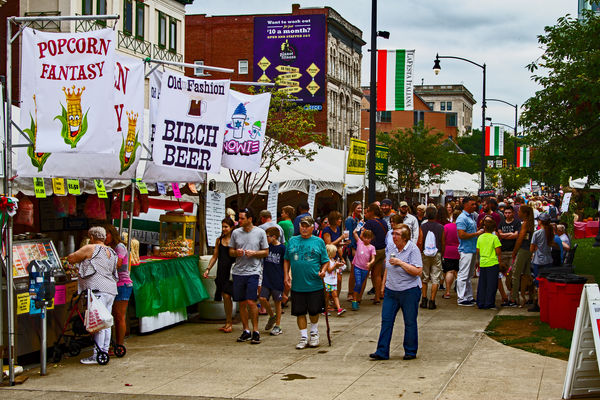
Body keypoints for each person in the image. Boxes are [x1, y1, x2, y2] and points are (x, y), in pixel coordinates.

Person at [370, 224, 423, 361]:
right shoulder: (392, 247)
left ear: (405, 238)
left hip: (409, 290)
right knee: (386, 320)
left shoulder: (413, 249)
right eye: (393, 234)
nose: (394, 236)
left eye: (397, 234)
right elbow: (388, 267)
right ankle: (382, 351)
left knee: (410, 321)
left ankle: (410, 351)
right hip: (391, 291)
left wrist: (401, 263)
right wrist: (383, 285)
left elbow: (418, 271)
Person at [67, 226, 118, 365]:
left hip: (97, 290)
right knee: (106, 322)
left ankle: (97, 355)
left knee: (99, 323)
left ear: (92, 237)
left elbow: (71, 258)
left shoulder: (91, 248)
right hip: (110, 289)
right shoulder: (111, 251)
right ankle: (104, 351)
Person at [284, 215, 330, 349]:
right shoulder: (292, 241)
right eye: (301, 226)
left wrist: (323, 270)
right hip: (298, 285)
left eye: (306, 226)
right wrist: (286, 275)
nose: (304, 229)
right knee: (300, 312)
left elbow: (325, 260)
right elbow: (287, 259)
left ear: (312, 228)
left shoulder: (319, 242)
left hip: (314, 284)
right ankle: (303, 337)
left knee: (314, 311)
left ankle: (314, 333)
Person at [229, 208, 269, 344]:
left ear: (250, 219)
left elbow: (266, 252)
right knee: (242, 302)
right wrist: (236, 252)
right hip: (238, 271)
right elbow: (230, 251)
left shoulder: (260, 232)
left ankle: (256, 331)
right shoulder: (235, 233)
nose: (239, 221)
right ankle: (246, 330)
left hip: (253, 271)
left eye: (242, 218)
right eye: (238, 218)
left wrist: (254, 253)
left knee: (252, 301)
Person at [203, 218, 236, 333]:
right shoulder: (219, 240)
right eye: (222, 226)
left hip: (232, 272)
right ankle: (228, 321)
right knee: (225, 297)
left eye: (226, 226)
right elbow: (214, 256)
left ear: (231, 228)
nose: (224, 229)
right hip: (221, 271)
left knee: (228, 296)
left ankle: (230, 322)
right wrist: (208, 269)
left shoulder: (235, 240)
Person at [103, 224, 132, 353]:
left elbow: (118, 264)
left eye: (106, 235)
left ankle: (120, 346)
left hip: (122, 285)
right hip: (112, 285)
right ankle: (113, 345)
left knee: (119, 316)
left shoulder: (120, 247)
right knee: (113, 315)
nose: (104, 238)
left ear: (112, 234)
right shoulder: (109, 248)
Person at [456, 197, 484, 306]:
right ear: (466, 205)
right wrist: (476, 234)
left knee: (469, 275)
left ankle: (468, 296)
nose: (474, 206)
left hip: (472, 249)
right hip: (466, 250)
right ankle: (461, 298)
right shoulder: (462, 218)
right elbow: (461, 234)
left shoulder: (472, 216)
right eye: (472, 204)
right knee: (463, 274)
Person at [258, 227, 286, 336]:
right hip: (266, 277)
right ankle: (272, 315)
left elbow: (285, 263)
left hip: (277, 278)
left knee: (277, 302)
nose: (266, 238)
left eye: (267, 236)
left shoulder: (282, 248)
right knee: (262, 298)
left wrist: (287, 276)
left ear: (274, 237)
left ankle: (278, 325)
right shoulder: (266, 247)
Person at [528, 213, 557, 312]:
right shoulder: (551, 232)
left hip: (538, 261)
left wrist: (535, 248)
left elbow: (531, 248)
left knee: (538, 283)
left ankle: (539, 303)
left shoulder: (537, 233)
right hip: (548, 260)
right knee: (547, 282)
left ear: (540, 221)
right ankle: (547, 302)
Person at [362, 203, 389, 304]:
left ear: (372, 212)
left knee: (364, 273)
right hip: (382, 250)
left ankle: (358, 297)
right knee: (377, 274)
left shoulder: (369, 223)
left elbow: (363, 236)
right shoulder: (384, 222)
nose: (366, 213)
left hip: (372, 251)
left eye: (368, 211)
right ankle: (377, 296)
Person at [420, 206, 445, 310]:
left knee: (424, 277)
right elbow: (443, 241)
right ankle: (432, 300)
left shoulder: (423, 226)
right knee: (435, 277)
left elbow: (420, 241)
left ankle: (424, 299)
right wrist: (441, 253)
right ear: (436, 215)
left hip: (425, 253)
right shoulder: (440, 227)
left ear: (426, 215)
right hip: (436, 253)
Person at [510, 205, 535, 307]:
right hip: (528, 250)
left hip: (523, 250)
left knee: (516, 274)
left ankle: (514, 298)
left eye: (519, 211)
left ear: (525, 214)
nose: (517, 213)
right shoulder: (530, 223)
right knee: (526, 274)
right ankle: (529, 295)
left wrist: (515, 251)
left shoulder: (525, 224)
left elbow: (520, 238)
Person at [476, 217, 502, 309]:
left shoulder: (480, 237)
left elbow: (478, 250)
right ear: (494, 229)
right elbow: (498, 251)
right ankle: (489, 302)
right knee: (492, 284)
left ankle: (481, 302)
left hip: (483, 262)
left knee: (482, 283)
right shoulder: (494, 238)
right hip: (492, 262)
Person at [497, 206, 521, 306]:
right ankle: (504, 296)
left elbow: (516, 235)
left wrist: (505, 235)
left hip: (512, 252)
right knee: (501, 273)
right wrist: (510, 234)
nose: (507, 215)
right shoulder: (501, 223)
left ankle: (512, 294)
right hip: (503, 252)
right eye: (506, 213)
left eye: (509, 213)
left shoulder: (516, 222)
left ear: (513, 213)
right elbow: (500, 234)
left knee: (511, 274)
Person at [351, 229, 376, 310]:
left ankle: (357, 298)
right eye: (365, 237)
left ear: (371, 238)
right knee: (358, 283)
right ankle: (354, 300)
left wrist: (370, 263)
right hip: (357, 267)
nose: (367, 239)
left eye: (369, 238)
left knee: (360, 284)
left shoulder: (372, 247)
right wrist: (359, 229)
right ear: (363, 237)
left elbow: (373, 258)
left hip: (365, 268)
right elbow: (354, 233)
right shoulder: (359, 242)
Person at [345, 201, 363, 302]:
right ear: (353, 209)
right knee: (353, 270)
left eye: (361, 208)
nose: (360, 210)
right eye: (358, 208)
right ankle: (350, 292)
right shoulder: (349, 220)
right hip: (354, 247)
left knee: (357, 270)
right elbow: (349, 235)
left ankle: (354, 292)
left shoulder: (358, 219)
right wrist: (352, 248)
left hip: (360, 246)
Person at [442, 209, 461, 299]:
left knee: (449, 271)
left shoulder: (446, 226)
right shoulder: (462, 228)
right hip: (459, 250)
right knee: (458, 272)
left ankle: (448, 291)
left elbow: (443, 240)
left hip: (448, 251)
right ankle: (460, 291)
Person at [324, 244, 346, 316]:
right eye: (334, 252)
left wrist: (339, 266)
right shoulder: (327, 261)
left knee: (335, 295)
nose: (335, 254)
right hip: (327, 281)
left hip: (332, 280)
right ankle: (325, 308)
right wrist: (335, 265)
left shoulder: (333, 260)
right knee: (326, 296)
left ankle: (339, 308)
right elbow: (329, 270)